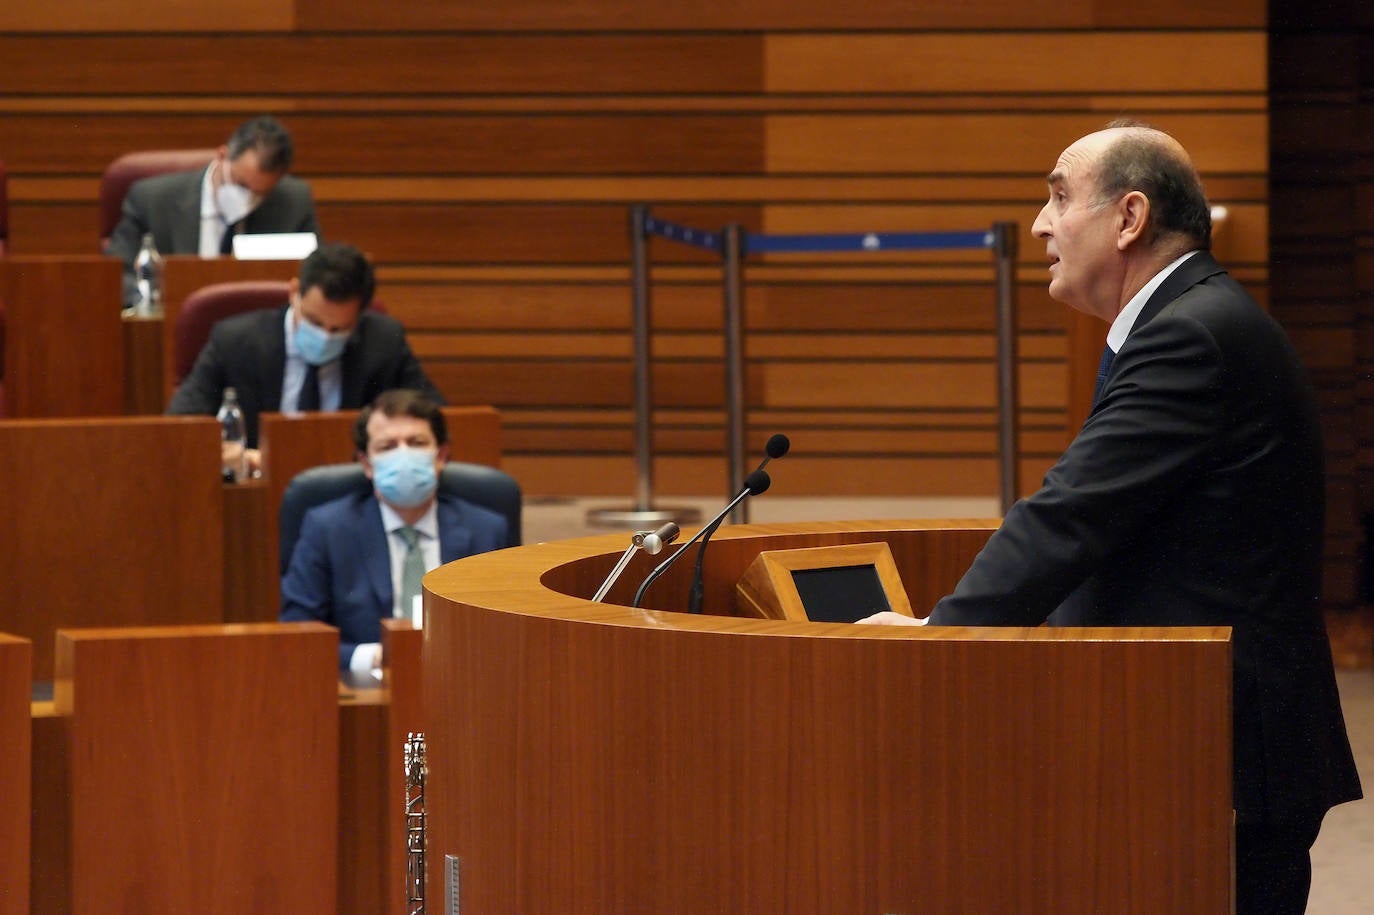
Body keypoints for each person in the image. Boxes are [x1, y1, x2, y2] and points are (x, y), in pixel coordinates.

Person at [860, 121, 1362, 915]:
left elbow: (1070, 515)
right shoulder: (1192, 321)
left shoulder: (1191, 335)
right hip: (1205, 741)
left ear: (1129, 218)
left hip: (1220, 756)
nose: (1039, 223)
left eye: (1059, 195)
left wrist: (940, 638)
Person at [280, 389, 511, 671]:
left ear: (441, 456)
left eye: (416, 443)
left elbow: (508, 633)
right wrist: (374, 659)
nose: (403, 456)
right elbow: (297, 632)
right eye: (387, 447)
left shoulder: (486, 531)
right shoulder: (328, 529)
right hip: (367, 694)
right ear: (366, 463)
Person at [167, 241, 442, 474]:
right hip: (256, 485)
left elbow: (437, 421)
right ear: (294, 292)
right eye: (313, 321)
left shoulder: (383, 342)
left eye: (338, 329)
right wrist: (233, 454)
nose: (324, 336)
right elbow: (179, 428)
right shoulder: (235, 341)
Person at [105, 114, 321, 308]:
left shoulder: (293, 202)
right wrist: (159, 295)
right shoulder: (152, 200)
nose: (248, 200)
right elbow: (115, 279)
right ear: (222, 156)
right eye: (242, 185)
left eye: (260, 194)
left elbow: (315, 280)